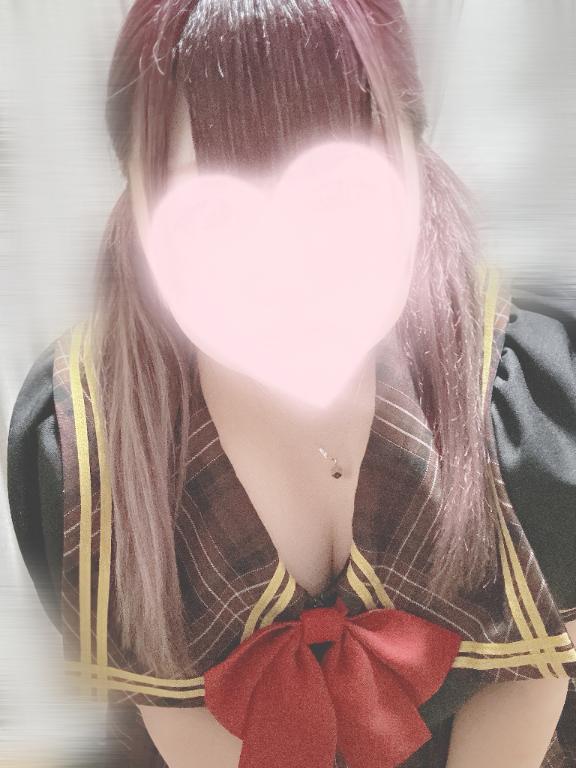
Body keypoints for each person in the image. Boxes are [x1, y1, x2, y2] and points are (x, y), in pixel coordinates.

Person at [6, 1, 576, 766]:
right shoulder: (89, 440)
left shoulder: (519, 400)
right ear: (134, 202)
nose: (284, 264)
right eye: (210, 209)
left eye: (337, 191)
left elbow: (532, 666)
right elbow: (177, 714)